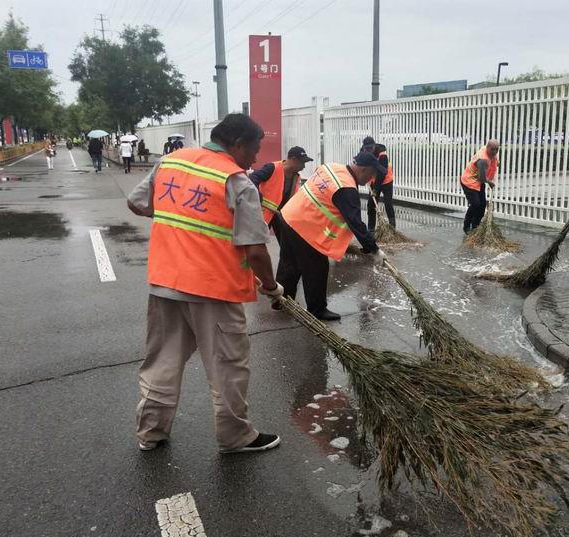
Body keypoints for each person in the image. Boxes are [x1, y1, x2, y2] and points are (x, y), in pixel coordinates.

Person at [126, 113, 284, 453]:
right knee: (227, 366)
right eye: (254, 149)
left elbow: (136, 203)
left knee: (162, 361)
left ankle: (150, 432)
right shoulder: (237, 182)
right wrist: (272, 287)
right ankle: (235, 437)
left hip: (165, 283)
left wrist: (178, 217)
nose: (256, 158)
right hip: (214, 289)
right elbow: (256, 251)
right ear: (238, 144)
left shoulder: (171, 161)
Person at [276, 152, 385, 321]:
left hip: (289, 216)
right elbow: (356, 223)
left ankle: (281, 300)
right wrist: (374, 250)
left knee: (289, 262)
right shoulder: (346, 188)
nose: (371, 179)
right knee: (317, 267)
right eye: (372, 174)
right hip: (304, 227)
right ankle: (317, 310)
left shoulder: (332, 167)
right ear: (363, 169)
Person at [248, 146, 313, 240]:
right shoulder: (272, 168)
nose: (303, 166)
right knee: (257, 241)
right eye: (302, 162)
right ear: (293, 159)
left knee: (287, 242)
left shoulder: (296, 177)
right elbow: (252, 179)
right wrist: (258, 196)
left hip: (280, 215)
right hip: (264, 213)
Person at [460, 139, 499, 233]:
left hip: (478, 182)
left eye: (496, 149)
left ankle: (475, 226)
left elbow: (492, 164)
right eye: (492, 149)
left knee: (482, 205)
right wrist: (490, 182)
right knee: (475, 204)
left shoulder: (490, 153)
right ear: (487, 147)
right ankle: (466, 226)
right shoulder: (482, 160)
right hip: (469, 181)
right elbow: (482, 178)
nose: (494, 152)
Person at [365, 141, 395, 231]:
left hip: (386, 180)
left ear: (374, 146)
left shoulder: (382, 155)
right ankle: (371, 228)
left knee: (388, 203)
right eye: (366, 149)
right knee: (371, 204)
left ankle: (392, 227)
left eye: (370, 148)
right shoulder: (365, 152)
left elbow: (382, 173)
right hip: (374, 181)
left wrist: (375, 189)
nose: (368, 150)